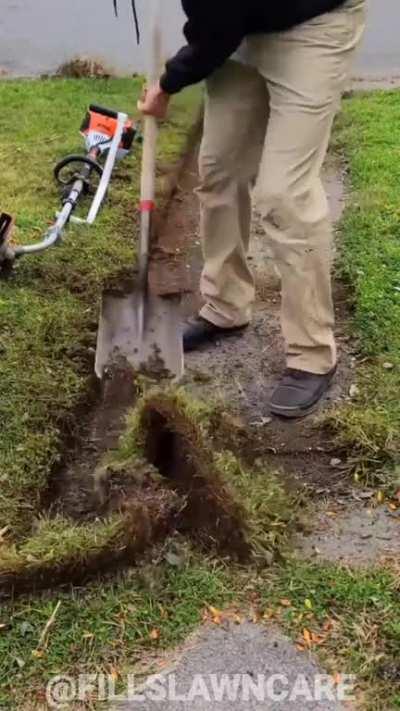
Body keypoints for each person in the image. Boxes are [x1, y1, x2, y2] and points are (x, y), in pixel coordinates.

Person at [138, 0, 366, 418]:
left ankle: (312, 353)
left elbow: (217, 26)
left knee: (285, 196)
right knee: (220, 170)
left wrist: (168, 83)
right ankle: (227, 304)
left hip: (313, 21)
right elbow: (220, 24)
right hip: (241, 27)